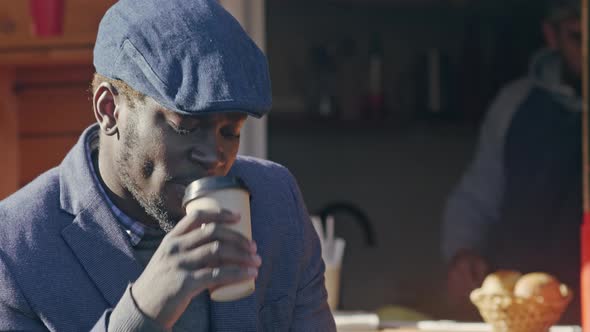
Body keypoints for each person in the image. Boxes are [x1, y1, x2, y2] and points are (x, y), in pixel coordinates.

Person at [0, 0, 336, 331]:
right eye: (186, 127)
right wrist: (143, 311)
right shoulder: (16, 249)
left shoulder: (277, 202)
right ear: (108, 109)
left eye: (230, 131)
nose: (214, 155)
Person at [442, 0, 582, 323]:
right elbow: (476, 197)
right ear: (552, 35)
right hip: (520, 313)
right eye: (578, 37)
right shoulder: (516, 106)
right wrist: (463, 252)